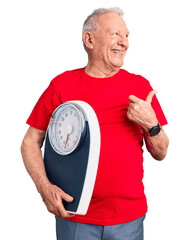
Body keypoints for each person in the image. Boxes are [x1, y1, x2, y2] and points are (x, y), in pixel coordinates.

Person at [21, 7, 169, 240]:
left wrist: (152, 125)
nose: (124, 43)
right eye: (115, 34)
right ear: (89, 39)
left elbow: (161, 153)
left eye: (127, 36)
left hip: (128, 218)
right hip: (75, 216)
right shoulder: (62, 85)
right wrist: (44, 188)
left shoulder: (140, 87)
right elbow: (30, 141)